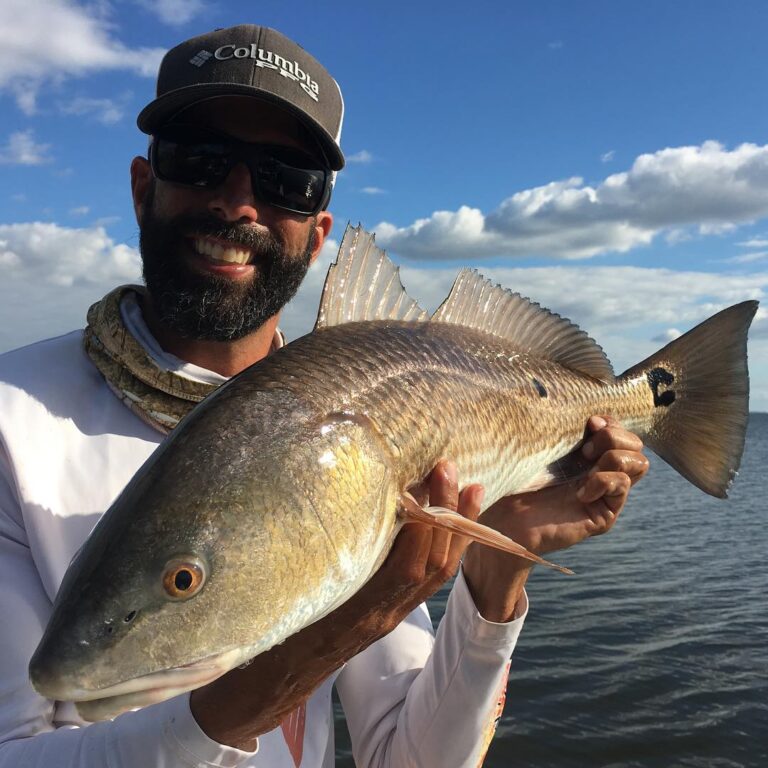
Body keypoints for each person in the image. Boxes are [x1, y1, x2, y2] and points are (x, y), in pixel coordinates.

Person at [0, 24, 649, 768]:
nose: (238, 203)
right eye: (200, 160)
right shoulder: (10, 419)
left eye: (286, 180)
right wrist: (297, 663)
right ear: (145, 187)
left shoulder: (358, 448)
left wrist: (497, 573)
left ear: (318, 233)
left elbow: (412, 759)